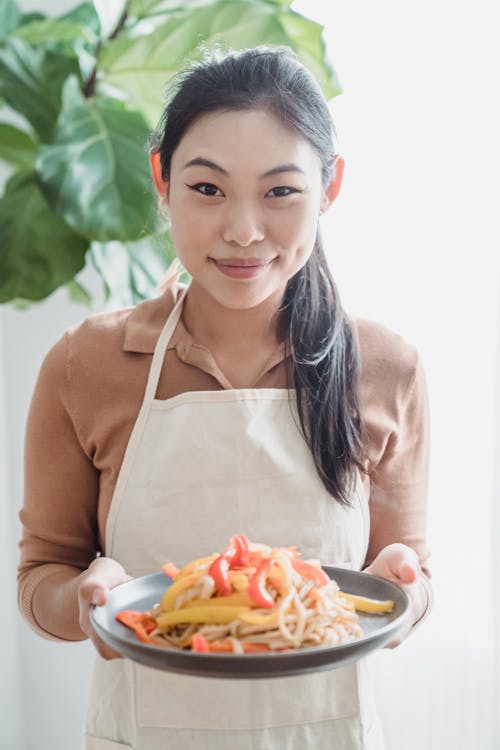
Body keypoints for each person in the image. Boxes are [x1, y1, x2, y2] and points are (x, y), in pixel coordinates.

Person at [18, 45, 432, 750]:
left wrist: (408, 586)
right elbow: (41, 578)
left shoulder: (386, 367)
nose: (243, 231)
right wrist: (89, 600)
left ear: (329, 187)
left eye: (281, 192)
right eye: (208, 189)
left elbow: (404, 576)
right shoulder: (84, 364)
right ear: (162, 177)